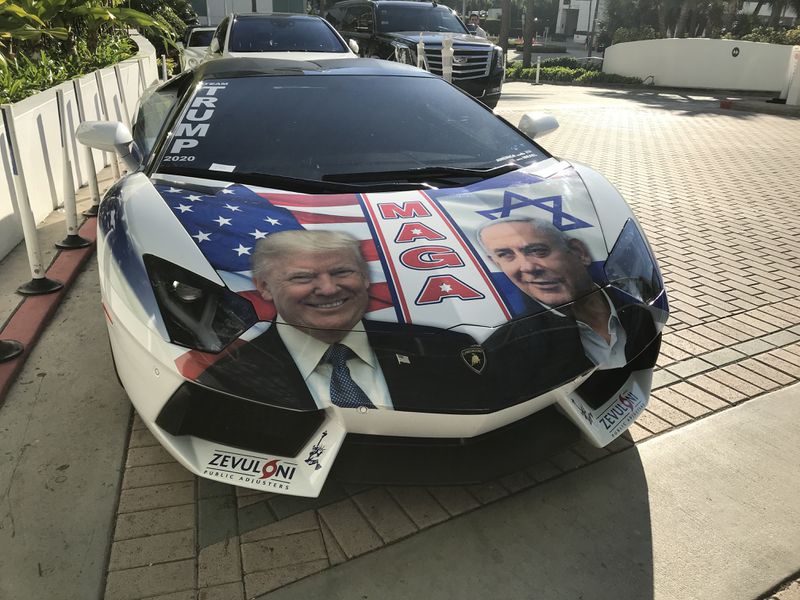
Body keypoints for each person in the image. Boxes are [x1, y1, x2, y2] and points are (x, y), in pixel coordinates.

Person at [198, 229, 492, 413]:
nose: (328, 289)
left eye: (341, 272)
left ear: (365, 278)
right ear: (263, 287)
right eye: (302, 277)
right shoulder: (227, 379)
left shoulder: (445, 348)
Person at [477, 216, 656, 370]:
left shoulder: (638, 306)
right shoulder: (506, 347)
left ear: (579, 252)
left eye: (538, 251)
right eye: (505, 255)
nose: (527, 267)